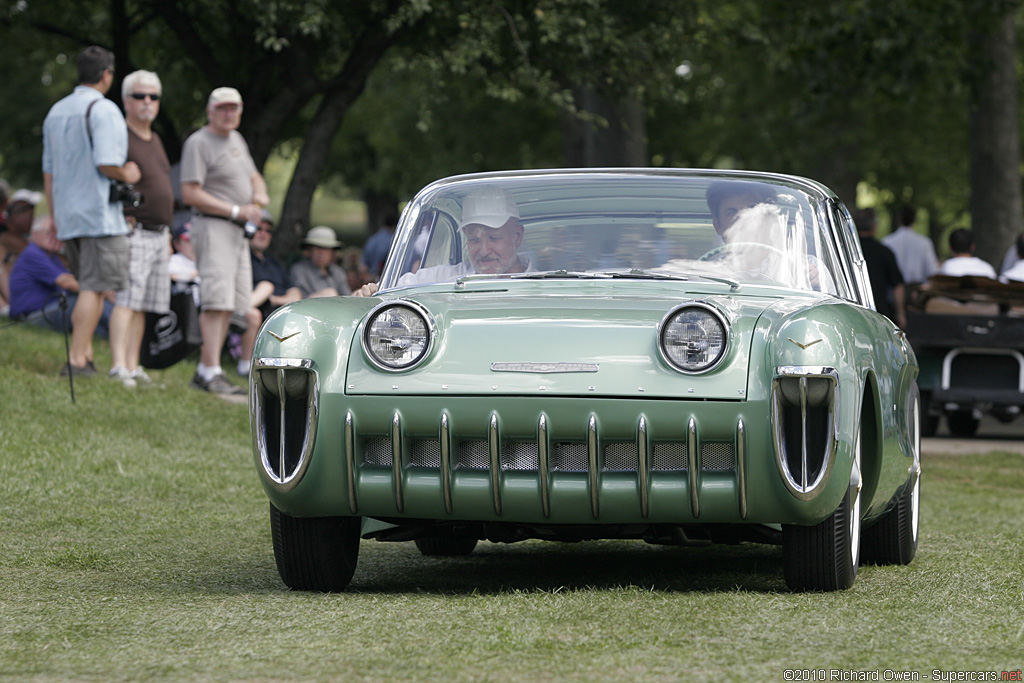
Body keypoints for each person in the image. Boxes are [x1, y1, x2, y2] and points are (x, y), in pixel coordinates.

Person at [42, 45, 139, 377]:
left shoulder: (55, 111)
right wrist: (128, 173)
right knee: (94, 287)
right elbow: (107, 162)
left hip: (69, 215)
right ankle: (75, 360)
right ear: (106, 74)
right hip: (100, 216)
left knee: (89, 285)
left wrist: (55, 216)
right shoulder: (105, 109)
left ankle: (83, 355)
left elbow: (49, 171)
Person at [179, 86, 269, 395]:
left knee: (235, 304)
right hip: (214, 226)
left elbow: (253, 175)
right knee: (216, 302)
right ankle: (209, 371)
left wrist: (259, 193)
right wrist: (235, 209)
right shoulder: (198, 143)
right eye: (223, 108)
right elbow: (189, 192)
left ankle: (218, 369)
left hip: (237, 231)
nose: (229, 113)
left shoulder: (236, 139)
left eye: (234, 108)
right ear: (210, 111)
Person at [107, 70, 174, 388]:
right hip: (133, 230)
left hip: (160, 234)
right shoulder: (119, 134)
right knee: (127, 299)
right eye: (139, 96)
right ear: (126, 100)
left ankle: (133, 367)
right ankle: (118, 366)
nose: (147, 101)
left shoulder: (155, 138)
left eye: (153, 96)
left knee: (144, 304)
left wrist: (169, 233)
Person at [352, 187, 529, 297]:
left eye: (494, 238)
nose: (483, 250)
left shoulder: (550, 284)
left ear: (517, 236)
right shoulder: (443, 278)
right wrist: (365, 295)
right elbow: (385, 291)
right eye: (474, 239)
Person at [8, 216, 112, 336]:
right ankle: (124, 332)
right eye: (49, 232)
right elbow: (67, 283)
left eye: (57, 233)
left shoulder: (50, 255)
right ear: (34, 234)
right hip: (32, 316)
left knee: (94, 321)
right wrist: (101, 292)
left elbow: (72, 279)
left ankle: (119, 338)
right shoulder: (33, 253)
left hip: (48, 310)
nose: (54, 236)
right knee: (81, 302)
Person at [236, 210, 301, 376]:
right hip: (250, 308)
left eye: (267, 231)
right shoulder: (242, 257)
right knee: (264, 289)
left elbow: (295, 294)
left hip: (278, 310)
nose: (263, 234)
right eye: (259, 229)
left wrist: (273, 299)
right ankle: (245, 366)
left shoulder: (275, 263)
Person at [854, 208, 906, 328]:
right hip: (879, 314)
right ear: (874, 226)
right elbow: (897, 285)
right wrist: (900, 313)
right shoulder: (884, 252)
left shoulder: (842, 251)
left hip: (849, 312)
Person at [0, 188, 43, 312]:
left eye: (33, 209)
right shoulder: (5, 236)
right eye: (27, 210)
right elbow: (36, 254)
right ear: (14, 214)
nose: (32, 215)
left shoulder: (24, 237)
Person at [881, 205, 939, 285]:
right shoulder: (924, 243)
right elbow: (932, 271)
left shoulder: (886, 242)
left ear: (898, 220)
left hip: (892, 288)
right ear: (914, 220)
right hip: (916, 290)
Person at [289, 226, 352, 297]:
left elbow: (347, 297)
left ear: (332, 252)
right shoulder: (299, 270)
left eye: (326, 248)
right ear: (310, 250)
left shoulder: (337, 271)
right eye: (318, 248)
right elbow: (299, 300)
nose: (322, 253)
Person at [361, 210, 398, 279]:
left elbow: (364, 266)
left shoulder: (372, 240)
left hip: (371, 279)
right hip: (387, 280)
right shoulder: (394, 241)